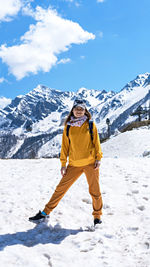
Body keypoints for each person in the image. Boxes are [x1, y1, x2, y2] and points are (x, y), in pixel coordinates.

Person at [29, 99, 103, 226]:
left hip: (90, 164)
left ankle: (97, 218)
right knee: (60, 189)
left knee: (95, 192)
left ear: (85, 111)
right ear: (72, 111)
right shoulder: (68, 126)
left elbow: (96, 142)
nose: (79, 111)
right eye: (76, 109)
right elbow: (65, 147)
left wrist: (98, 158)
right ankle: (45, 213)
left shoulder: (90, 124)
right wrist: (63, 164)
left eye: (81, 109)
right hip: (73, 164)